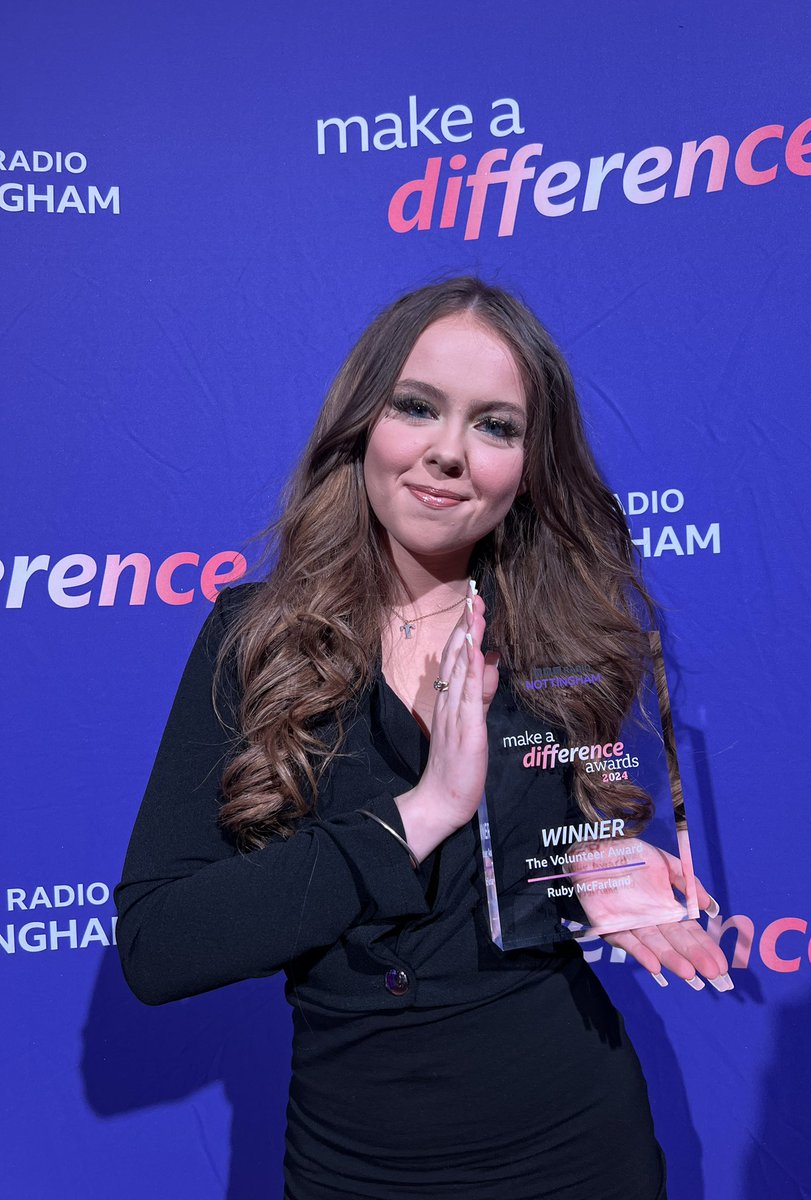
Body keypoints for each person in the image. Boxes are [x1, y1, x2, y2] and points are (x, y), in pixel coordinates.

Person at [115, 276, 731, 1200]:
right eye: (418, 407)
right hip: (356, 1162)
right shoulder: (257, 638)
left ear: (529, 465)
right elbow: (159, 948)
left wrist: (596, 859)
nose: (450, 452)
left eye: (496, 425)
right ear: (363, 423)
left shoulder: (567, 639)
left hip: (576, 1142)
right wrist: (420, 812)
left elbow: (537, 857)